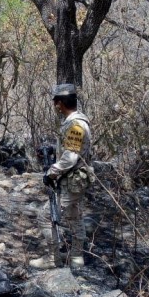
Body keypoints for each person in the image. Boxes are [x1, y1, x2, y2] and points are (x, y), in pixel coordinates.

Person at [29, 83, 95, 270]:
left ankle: (53, 258)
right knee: (74, 217)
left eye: (55, 103)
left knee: (45, 216)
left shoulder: (76, 125)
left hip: (71, 179)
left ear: (60, 103)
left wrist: (51, 172)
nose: (55, 107)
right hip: (74, 179)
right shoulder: (76, 122)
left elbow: (71, 157)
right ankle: (76, 257)